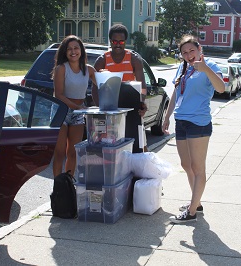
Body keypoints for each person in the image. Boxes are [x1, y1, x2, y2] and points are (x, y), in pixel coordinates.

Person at [162, 35, 225, 223]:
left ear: (199, 50)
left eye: (192, 51)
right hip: (181, 121)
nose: (189, 55)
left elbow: (221, 88)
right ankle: (196, 203)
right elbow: (175, 93)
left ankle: (191, 213)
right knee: (186, 165)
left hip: (199, 122)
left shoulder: (210, 66)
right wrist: (167, 116)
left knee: (198, 167)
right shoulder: (183, 69)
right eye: (184, 52)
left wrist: (205, 68)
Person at [93, 24, 148, 153]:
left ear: (125, 42)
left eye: (121, 41)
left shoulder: (134, 59)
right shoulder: (102, 60)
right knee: (110, 147)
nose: (118, 44)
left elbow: (142, 86)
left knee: (139, 146)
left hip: (131, 108)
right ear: (110, 41)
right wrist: (100, 109)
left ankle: (138, 170)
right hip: (110, 109)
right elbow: (94, 88)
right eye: (114, 41)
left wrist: (142, 102)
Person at [52, 35, 97, 177]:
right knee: (59, 153)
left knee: (72, 153)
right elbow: (58, 95)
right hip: (61, 111)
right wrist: (78, 108)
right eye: (69, 49)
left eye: (76, 48)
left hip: (78, 113)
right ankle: (58, 187)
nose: (73, 51)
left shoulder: (89, 70)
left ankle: (68, 184)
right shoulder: (61, 69)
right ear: (65, 52)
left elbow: (105, 85)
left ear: (81, 50)